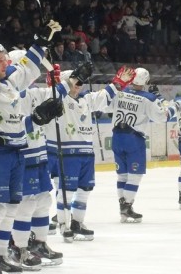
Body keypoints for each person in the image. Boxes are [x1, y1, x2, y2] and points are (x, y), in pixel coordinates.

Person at [0, 22, 64, 274]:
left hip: (17, 153)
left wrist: (40, 42)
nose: (6, 63)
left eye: (7, 59)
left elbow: (28, 67)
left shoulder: (11, 83)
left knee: (10, 207)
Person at [48, 65, 135, 240]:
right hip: (68, 153)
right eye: (74, 81)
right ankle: (64, 225)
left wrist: (118, 83)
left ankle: (77, 223)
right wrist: (53, 83)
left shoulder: (87, 100)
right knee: (67, 192)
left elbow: (105, 95)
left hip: (87, 154)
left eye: (80, 81)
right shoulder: (59, 101)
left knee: (85, 190)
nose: (78, 84)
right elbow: (52, 94)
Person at [5, 50, 62, 268]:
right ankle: (18, 248)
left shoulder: (31, 93)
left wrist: (56, 85)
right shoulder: (9, 94)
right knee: (26, 204)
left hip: (39, 155)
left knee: (43, 200)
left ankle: (39, 243)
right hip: (22, 156)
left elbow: (55, 99)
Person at [111, 67, 176, 223]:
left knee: (122, 175)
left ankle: (123, 206)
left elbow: (106, 106)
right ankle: (126, 206)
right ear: (146, 80)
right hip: (134, 139)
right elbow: (161, 117)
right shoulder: (148, 98)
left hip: (116, 137)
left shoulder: (119, 92)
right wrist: (174, 108)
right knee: (135, 175)